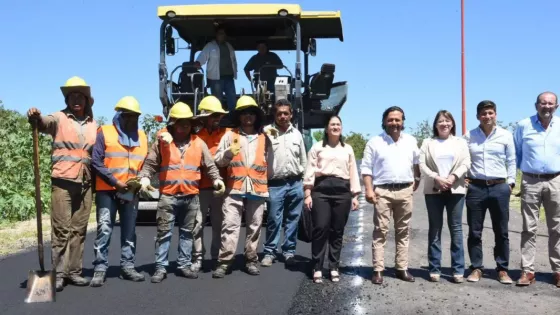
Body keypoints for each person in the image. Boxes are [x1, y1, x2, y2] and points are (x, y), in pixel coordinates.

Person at [137, 102, 225, 282]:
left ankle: (184, 265)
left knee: (187, 233)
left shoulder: (198, 143)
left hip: (191, 196)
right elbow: (150, 164)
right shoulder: (162, 142)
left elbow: (210, 165)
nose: (184, 127)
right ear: (173, 123)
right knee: (164, 232)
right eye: (180, 123)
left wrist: (217, 179)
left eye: (187, 123)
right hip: (168, 195)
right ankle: (160, 268)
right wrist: (144, 177)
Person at [26, 76, 97, 291]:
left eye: (80, 96)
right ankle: (57, 274)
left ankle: (74, 271)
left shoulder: (94, 125)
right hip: (63, 181)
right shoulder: (58, 118)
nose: (76, 100)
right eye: (72, 96)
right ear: (67, 100)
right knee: (61, 230)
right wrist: (35, 117)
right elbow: (43, 123)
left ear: (87, 100)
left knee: (79, 229)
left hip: (85, 183)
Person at [89, 96, 148, 287]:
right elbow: (96, 161)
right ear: (120, 115)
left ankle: (128, 266)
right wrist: (115, 182)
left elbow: (146, 163)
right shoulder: (105, 133)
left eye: (136, 117)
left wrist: (142, 180)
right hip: (107, 191)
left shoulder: (143, 136)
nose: (133, 120)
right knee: (105, 228)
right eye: (129, 117)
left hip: (131, 192)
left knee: (129, 230)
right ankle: (100, 268)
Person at [212, 95, 273, 278]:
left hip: (257, 188)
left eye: (251, 113)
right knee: (230, 226)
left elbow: (270, 164)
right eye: (244, 113)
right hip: (235, 188)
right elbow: (218, 160)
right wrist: (229, 153)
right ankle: (224, 262)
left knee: (255, 226)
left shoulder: (264, 138)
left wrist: (263, 180)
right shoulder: (230, 136)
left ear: (256, 116)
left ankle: (251, 260)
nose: (248, 117)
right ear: (239, 116)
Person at [361, 106, 421, 285]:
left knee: (403, 231)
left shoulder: (410, 141)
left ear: (403, 122)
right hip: (383, 192)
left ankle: (401, 268)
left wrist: (416, 179)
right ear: (384, 121)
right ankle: (378, 270)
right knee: (380, 231)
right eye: (391, 120)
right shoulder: (374, 142)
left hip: (404, 191)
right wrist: (369, 190)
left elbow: (417, 163)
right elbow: (366, 168)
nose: (394, 123)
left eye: (398, 120)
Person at [463, 100, 516, 284]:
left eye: (490, 113)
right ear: (478, 116)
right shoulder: (468, 136)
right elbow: (462, 159)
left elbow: (511, 160)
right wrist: (464, 179)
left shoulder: (505, 135)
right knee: (475, 231)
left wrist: (510, 184)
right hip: (476, 188)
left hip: (499, 187)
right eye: (484, 113)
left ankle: (502, 269)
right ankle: (476, 267)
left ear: (495, 115)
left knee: (501, 231)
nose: (487, 116)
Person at [303, 115, 360, 283]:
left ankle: (334, 266)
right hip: (321, 190)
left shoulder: (347, 149)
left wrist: (355, 195)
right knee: (320, 228)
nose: (335, 127)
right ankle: (317, 266)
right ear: (326, 129)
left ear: (341, 128)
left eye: (338, 124)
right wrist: (307, 193)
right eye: (332, 124)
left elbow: (353, 172)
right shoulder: (317, 147)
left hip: (342, 191)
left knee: (337, 230)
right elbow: (310, 170)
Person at [514, 91, 560, 287]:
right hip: (530, 181)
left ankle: (558, 270)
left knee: (557, 227)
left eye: (551, 103)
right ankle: (527, 271)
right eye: (543, 103)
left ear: (556, 107)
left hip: (556, 180)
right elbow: (516, 153)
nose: (547, 106)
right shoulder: (524, 125)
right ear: (536, 106)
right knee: (528, 227)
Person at [419, 110, 471, 283]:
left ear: (452, 124)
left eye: (448, 120)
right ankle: (434, 268)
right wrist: (437, 177)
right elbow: (422, 164)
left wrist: (452, 177)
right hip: (434, 189)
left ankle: (458, 269)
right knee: (435, 228)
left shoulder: (460, 142)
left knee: (456, 228)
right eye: (441, 121)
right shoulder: (428, 142)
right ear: (436, 124)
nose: (444, 124)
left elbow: (466, 162)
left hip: (455, 188)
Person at [261, 99, 307, 267]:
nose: (282, 116)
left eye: (285, 113)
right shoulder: (267, 132)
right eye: (279, 113)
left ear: (291, 114)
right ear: (274, 115)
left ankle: (289, 251)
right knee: (273, 219)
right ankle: (269, 252)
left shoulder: (297, 134)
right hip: (275, 184)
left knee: (293, 219)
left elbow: (304, 159)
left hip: (295, 183)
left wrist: (305, 182)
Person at [190, 95, 231, 272]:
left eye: (219, 116)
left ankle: (216, 257)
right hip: (200, 187)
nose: (218, 119)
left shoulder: (228, 134)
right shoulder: (196, 137)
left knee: (219, 223)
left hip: (221, 188)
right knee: (197, 223)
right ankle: (197, 257)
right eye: (214, 116)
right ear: (205, 117)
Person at [195, 26, 238, 111]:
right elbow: (203, 56)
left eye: (224, 34)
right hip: (215, 79)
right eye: (221, 33)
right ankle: (218, 119)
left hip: (229, 77)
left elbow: (234, 60)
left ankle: (233, 117)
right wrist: (198, 62)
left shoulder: (229, 46)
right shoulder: (210, 46)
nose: (223, 35)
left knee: (232, 98)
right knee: (217, 100)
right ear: (216, 35)